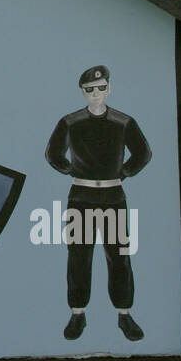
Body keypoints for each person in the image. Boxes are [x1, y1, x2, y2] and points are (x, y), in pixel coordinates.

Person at [44, 65, 151, 342]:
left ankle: (124, 315)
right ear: (82, 91)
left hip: (113, 197)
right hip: (81, 197)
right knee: (79, 256)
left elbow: (142, 152)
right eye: (90, 90)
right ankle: (77, 314)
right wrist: (70, 169)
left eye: (101, 88)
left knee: (119, 256)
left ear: (109, 89)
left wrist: (125, 172)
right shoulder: (70, 122)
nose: (95, 94)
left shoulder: (123, 122)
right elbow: (53, 153)